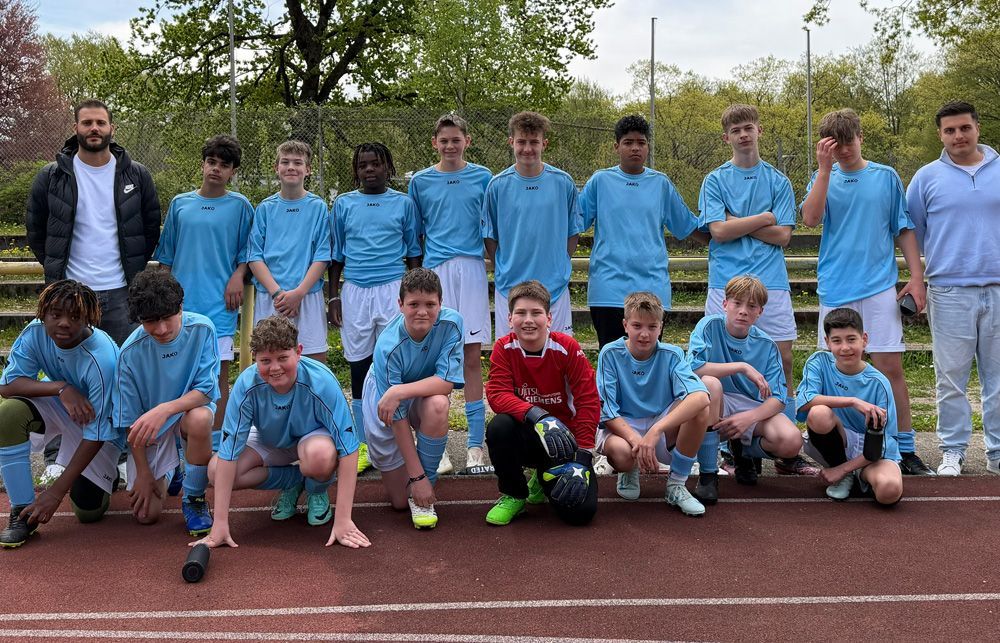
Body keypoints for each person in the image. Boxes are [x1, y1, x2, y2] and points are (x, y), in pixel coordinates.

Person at [25, 98, 160, 483]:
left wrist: (131, 272)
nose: (94, 129)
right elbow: (36, 229)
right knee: (63, 373)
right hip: (69, 295)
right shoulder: (51, 176)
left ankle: (122, 454)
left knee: (122, 375)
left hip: (119, 292)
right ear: (76, 128)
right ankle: (57, 456)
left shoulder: (136, 174)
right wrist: (59, 274)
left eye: (101, 122)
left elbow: (150, 227)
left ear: (112, 128)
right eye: (87, 123)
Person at [801, 108, 932, 476]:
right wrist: (824, 170)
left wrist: (916, 278)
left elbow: (903, 229)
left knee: (890, 368)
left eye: (849, 142)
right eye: (835, 145)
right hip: (836, 287)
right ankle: (840, 450)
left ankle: (904, 447)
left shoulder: (885, 176)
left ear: (860, 137)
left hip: (878, 286)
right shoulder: (821, 177)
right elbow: (810, 219)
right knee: (836, 368)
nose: (843, 150)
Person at [698, 104, 814, 477]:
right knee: (718, 364)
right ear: (726, 137)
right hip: (725, 282)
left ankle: (785, 450)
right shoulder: (715, 180)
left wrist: (738, 222)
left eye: (748, 127)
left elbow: (783, 236)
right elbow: (718, 232)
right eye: (736, 130)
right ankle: (726, 448)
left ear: (759, 131)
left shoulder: (778, 181)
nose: (743, 134)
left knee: (783, 359)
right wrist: (764, 217)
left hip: (771, 282)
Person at [193, 315, 369, 550]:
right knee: (216, 471)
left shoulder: (322, 381)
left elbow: (348, 449)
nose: (275, 368)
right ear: (254, 358)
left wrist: (344, 519)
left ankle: (316, 488)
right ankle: (295, 480)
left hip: (313, 439)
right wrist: (220, 524)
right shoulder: (246, 386)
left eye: (283, 358)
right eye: (265, 360)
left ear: (298, 352)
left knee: (319, 457)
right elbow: (228, 453)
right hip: (270, 439)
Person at [907, 100, 1000, 476]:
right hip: (948, 290)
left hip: (998, 288)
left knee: (998, 378)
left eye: (964, 128)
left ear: (977, 128)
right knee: (950, 378)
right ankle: (952, 451)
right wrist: (917, 279)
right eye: (950, 130)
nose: (958, 136)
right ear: (940, 135)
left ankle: (997, 453)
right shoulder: (926, 178)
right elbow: (912, 233)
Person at [0, 281, 121, 548]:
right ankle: (21, 513)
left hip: (96, 423)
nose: (64, 323)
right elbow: (8, 386)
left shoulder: (103, 358)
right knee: (8, 413)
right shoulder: (35, 333)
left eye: (75, 317)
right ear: (43, 314)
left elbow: (97, 433)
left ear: (88, 318)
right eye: (56, 315)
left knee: (88, 512)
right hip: (62, 404)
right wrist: (61, 388)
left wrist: (55, 493)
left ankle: (110, 475)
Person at [329, 142, 422, 474]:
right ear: (356, 171)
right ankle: (363, 442)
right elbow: (336, 256)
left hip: (392, 289)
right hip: (355, 291)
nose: (369, 169)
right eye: (363, 165)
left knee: (395, 364)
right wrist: (333, 296)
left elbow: (413, 253)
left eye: (376, 163)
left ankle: (403, 437)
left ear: (388, 167)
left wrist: (412, 296)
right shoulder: (343, 204)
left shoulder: (404, 203)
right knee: (359, 365)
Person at [408, 115, 492, 475]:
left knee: (471, 358)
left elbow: (490, 227)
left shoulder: (484, 177)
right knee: (431, 359)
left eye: (456, 139)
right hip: (435, 274)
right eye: (444, 140)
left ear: (467, 141)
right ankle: (436, 446)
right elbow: (415, 234)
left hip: (471, 270)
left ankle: (475, 447)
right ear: (434, 143)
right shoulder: (420, 181)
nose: (450, 146)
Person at [580, 114, 705, 348]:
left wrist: (725, 239)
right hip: (608, 290)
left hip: (653, 289)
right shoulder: (600, 181)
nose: (635, 148)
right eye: (628, 142)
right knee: (612, 358)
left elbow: (688, 225)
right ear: (617, 147)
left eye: (641, 142)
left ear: (648, 147)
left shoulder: (661, 184)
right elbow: (574, 222)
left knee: (650, 358)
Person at [155, 134, 253, 431]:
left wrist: (238, 275)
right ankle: (175, 440)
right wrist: (163, 301)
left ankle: (216, 443)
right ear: (202, 165)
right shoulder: (180, 204)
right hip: (181, 305)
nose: (216, 169)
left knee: (217, 376)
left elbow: (248, 251)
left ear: (232, 171)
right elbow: (166, 258)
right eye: (211, 162)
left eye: (224, 165)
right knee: (174, 373)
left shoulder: (240, 206)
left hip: (220, 304)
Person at [484, 280, 600, 527]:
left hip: (563, 440)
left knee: (581, 513)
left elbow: (588, 401)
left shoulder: (567, 347)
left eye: (536, 313)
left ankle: (541, 476)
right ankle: (514, 495)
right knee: (499, 427)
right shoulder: (504, 348)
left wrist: (583, 457)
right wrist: (538, 415)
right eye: (521, 313)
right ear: (510, 319)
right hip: (528, 433)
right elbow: (497, 393)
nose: (528, 320)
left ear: (548, 318)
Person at [113, 269, 219, 535]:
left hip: (184, 415)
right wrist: (144, 473)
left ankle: (194, 499)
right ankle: (173, 471)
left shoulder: (203, 329)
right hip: (151, 430)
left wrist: (165, 408)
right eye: (150, 321)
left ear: (180, 307)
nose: (161, 329)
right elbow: (131, 422)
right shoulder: (129, 353)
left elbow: (206, 391)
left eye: (167, 318)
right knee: (146, 515)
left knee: (200, 418)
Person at [361, 268, 464, 529]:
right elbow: (398, 418)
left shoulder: (452, 323)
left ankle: (424, 490)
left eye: (430, 304)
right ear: (400, 305)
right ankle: (415, 476)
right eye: (413, 304)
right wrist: (415, 478)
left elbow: (446, 383)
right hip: (383, 397)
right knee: (398, 501)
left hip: (413, 392)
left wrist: (400, 391)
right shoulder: (387, 347)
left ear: (441, 303)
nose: (422, 312)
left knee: (439, 404)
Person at [687, 275, 803, 502]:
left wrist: (747, 418)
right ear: (725, 304)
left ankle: (742, 451)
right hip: (714, 401)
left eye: (751, 306)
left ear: (760, 312)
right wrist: (742, 367)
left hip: (747, 406)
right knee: (711, 383)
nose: (743, 311)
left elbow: (779, 398)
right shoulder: (709, 326)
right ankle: (708, 475)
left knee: (791, 441)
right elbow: (694, 367)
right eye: (737, 303)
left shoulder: (767, 345)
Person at [595, 292, 713, 516]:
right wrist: (637, 441)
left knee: (700, 409)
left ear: (661, 327)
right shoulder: (610, 353)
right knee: (621, 454)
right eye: (637, 326)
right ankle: (629, 470)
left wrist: (656, 431)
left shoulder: (672, 354)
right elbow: (606, 410)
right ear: (625, 325)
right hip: (623, 426)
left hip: (659, 424)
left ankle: (676, 484)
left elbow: (700, 396)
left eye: (652, 327)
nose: (644, 334)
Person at [482, 111, 583, 339]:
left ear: (544, 143)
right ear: (511, 142)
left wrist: (558, 263)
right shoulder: (497, 185)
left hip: (554, 287)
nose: (527, 148)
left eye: (534, 142)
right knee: (512, 354)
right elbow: (490, 236)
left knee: (557, 353)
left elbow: (573, 232)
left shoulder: (563, 182)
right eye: (521, 142)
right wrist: (504, 267)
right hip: (510, 287)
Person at [797, 308, 903, 505]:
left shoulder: (879, 383)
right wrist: (853, 401)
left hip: (870, 450)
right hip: (840, 440)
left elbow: (880, 445)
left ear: (864, 339)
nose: (845, 347)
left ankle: (853, 474)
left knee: (889, 491)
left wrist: (842, 469)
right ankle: (845, 475)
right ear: (827, 342)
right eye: (837, 341)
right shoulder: (819, 362)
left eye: (851, 339)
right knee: (818, 413)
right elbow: (804, 401)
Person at [248, 140, 331, 365]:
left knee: (314, 364)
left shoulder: (318, 207)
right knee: (268, 361)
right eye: (285, 162)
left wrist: (299, 293)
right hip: (271, 298)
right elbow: (254, 256)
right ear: (276, 168)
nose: (291, 167)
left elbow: (322, 255)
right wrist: (277, 293)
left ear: (308, 169)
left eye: (298, 162)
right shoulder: (265, 208)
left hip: (307, 296)